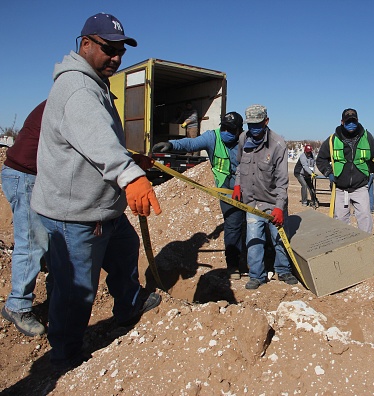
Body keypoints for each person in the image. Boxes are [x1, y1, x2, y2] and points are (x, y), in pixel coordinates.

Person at [30, 13, 162, 371]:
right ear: (85, 43)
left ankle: (129, 308)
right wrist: (129, 174)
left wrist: (130, 158)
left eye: (120, 50)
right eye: (109, 49)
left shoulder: (95, 83)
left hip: (101, 208)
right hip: (78, 215)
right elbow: (99, 140)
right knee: (77, 292)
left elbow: (92, 141)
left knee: (124, 251)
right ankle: (66, 358)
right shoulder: (78, 88)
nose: (117, 57)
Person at [152, 112, 246, 279]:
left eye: (230, 129)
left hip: (248, 188)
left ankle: (252, 259)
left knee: (252, 225)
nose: (225, 132)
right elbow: (191, 143)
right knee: (233, 225)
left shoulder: (244, 140)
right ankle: (233, 265)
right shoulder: (213, 137)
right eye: (223, 127)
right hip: (226, 189)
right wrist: (171, 144)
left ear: (239, 130)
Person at [233, 104, 298, 290]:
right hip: (252, 202)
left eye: (257, 124)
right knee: (253, 241)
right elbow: (239, 166)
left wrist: (279, 207)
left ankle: (284, 270)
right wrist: (238, 184)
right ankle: (256, 276)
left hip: (272, 202)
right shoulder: (243, 139)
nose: (253, 129)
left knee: (279, 239)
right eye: (250, 125)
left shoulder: (278, 145)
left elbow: (282, 181)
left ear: (266, 122)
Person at [1, 101, 48, 337]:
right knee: (32, 242)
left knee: (43, 237)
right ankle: (17, 305)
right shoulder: (71, 100)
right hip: (26, 175)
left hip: (26, 174)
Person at [316, 108, 374, 233]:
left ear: (358, 121)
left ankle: (365, 245)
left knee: (365, 217)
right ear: (342, 122)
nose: (351, 124)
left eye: (353, 121)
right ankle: (344, 247)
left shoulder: (366, 136)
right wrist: (329, 173)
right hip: (340, 188)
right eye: (347, 121)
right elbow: (321, 159)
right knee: (340, 220)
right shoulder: (332, 140)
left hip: (360, 186)